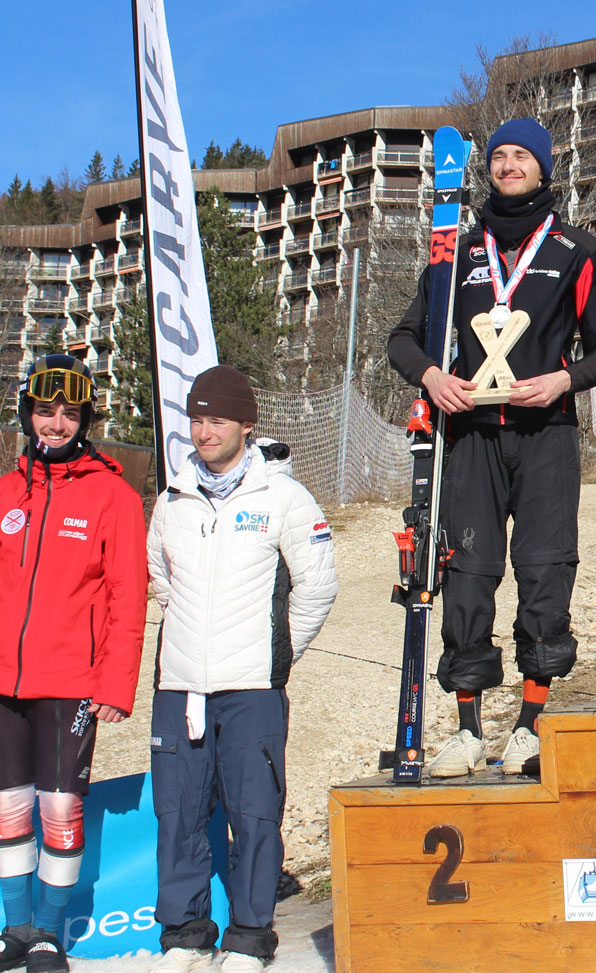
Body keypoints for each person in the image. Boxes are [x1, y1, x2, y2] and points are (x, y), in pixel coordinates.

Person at [387, 118, 596, 778]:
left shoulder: (577, 249)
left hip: (545, 434)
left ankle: (530, 724)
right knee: (468, 574)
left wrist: (562, 379)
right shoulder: (452, 254)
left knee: (545, 572)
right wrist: (433, 377)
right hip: (472, 439)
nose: (509, 165)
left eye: (523, 155)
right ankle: (467, 728)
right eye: (499, 157)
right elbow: (405, 340)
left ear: (544, 168)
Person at [0, 355, 147, 973]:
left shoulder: (113, 495)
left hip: (71, 683)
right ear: (26, 414)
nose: (54, 423)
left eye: (67, 412)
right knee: (9, 804)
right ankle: (14, 932)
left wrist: (115, 685)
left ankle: (50, 936)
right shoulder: (5, 493)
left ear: (85, 418)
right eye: (43, 409)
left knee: (60, 808)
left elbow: (126, 597)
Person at [146, 365, 338, 973]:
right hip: (179, 685)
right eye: (197, 420)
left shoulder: (282, 496)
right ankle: (184, 935)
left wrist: (277, 655)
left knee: (255, 814)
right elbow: (159, 577)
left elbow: (318, 586)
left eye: (217, 421)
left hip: (251, 688)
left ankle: (250, 936)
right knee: (177, 813)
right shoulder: (172, 497)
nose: (204, 432)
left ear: (246, 426)